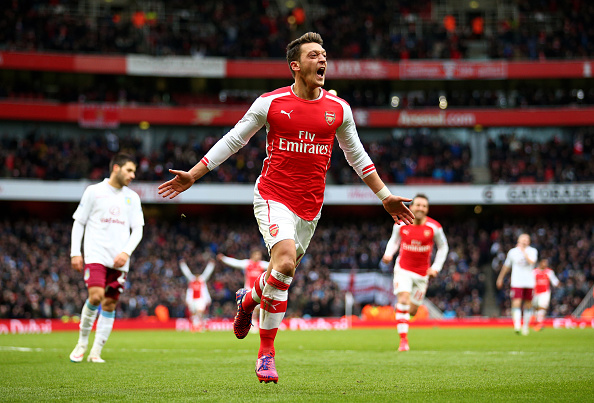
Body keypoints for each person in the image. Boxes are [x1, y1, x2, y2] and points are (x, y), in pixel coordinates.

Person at [157, 31, 414, 384]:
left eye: (324, 55)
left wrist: (384, 196)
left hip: (310, 208)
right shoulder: (270, 103)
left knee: (281, 274)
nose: (322, 60)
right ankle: (266, 354)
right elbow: (234, 139)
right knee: (285, 262)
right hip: (272, 195)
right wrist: (194, 174)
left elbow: (357, 156)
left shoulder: (339, 109)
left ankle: (248, 300)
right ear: (295, 65)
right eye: (314, 55)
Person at [69, 153, 144, 363]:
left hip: (120, 259)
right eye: (129, 170)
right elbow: (79, 222)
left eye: (134, 171)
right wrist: (75, 252)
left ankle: (96, 352)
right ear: (116, 168)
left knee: (110, 304)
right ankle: (82, 343)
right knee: (96, 297)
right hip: (96, 254)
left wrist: (126, 252)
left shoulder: (132, 197)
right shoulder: (94, 191)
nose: (133, 175)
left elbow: (138, 229)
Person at [381, 194, 449, 352]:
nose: (420, 208)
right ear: (411, 207)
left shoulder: (434, 227)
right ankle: (403, 341)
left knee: (412, 310)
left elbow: (443, 247)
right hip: (403, 269)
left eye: (424, 206)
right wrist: (388, 254)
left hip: (422, 274)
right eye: (418, 205)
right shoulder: (401, 223)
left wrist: (436, 267)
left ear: (427, 209)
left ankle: (401, 313)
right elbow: (394, 241)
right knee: (403, 299)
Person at [217, 249, 269, 333]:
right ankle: (250, 324)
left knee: (258, 308)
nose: (258, 256)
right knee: (250, 308)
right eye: (257, 255)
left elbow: (273, 265)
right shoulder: (247, 263)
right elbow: (235, 262)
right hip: (248, 289)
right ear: (252, 255)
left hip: (259, 289)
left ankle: (255, 323)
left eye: (259, 255)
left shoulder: (262, 264)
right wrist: (224, 258)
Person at [496, 233, 538, 335]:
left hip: (529, 282)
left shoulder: (532, 251)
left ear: (529, 241)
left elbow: (532, 262)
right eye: (523, 239)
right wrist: (500, 278)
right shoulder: (512, 252)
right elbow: (506, 266)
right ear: (518, 240)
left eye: (526, 239)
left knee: (528, 304)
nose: (524, 241)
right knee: (516, 303)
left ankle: (525, 326)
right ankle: (517, 325)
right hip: (517, 282)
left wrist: (523, 252)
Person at [179, 257, 216, 332]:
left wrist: (211, 264)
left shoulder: (202, 279)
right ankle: (195, 326)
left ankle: (199, 326)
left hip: (200, 299)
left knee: (200, 312)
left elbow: (207, 272)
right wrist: (182, 264)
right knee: (193, 313)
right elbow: (186, 272)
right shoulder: (191, 279)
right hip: (192, 300)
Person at [532, 258, 559, 331]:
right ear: (540, 263)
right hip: (535, 292)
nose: (545, 264)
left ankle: (539, 323)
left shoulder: (549, 272)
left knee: (542, 306)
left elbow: (555, 281)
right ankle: (537, 321)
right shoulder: (534, 272)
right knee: (536, 307)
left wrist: (558, 284)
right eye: (544, 262)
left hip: (545, 292)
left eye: (546, 263)